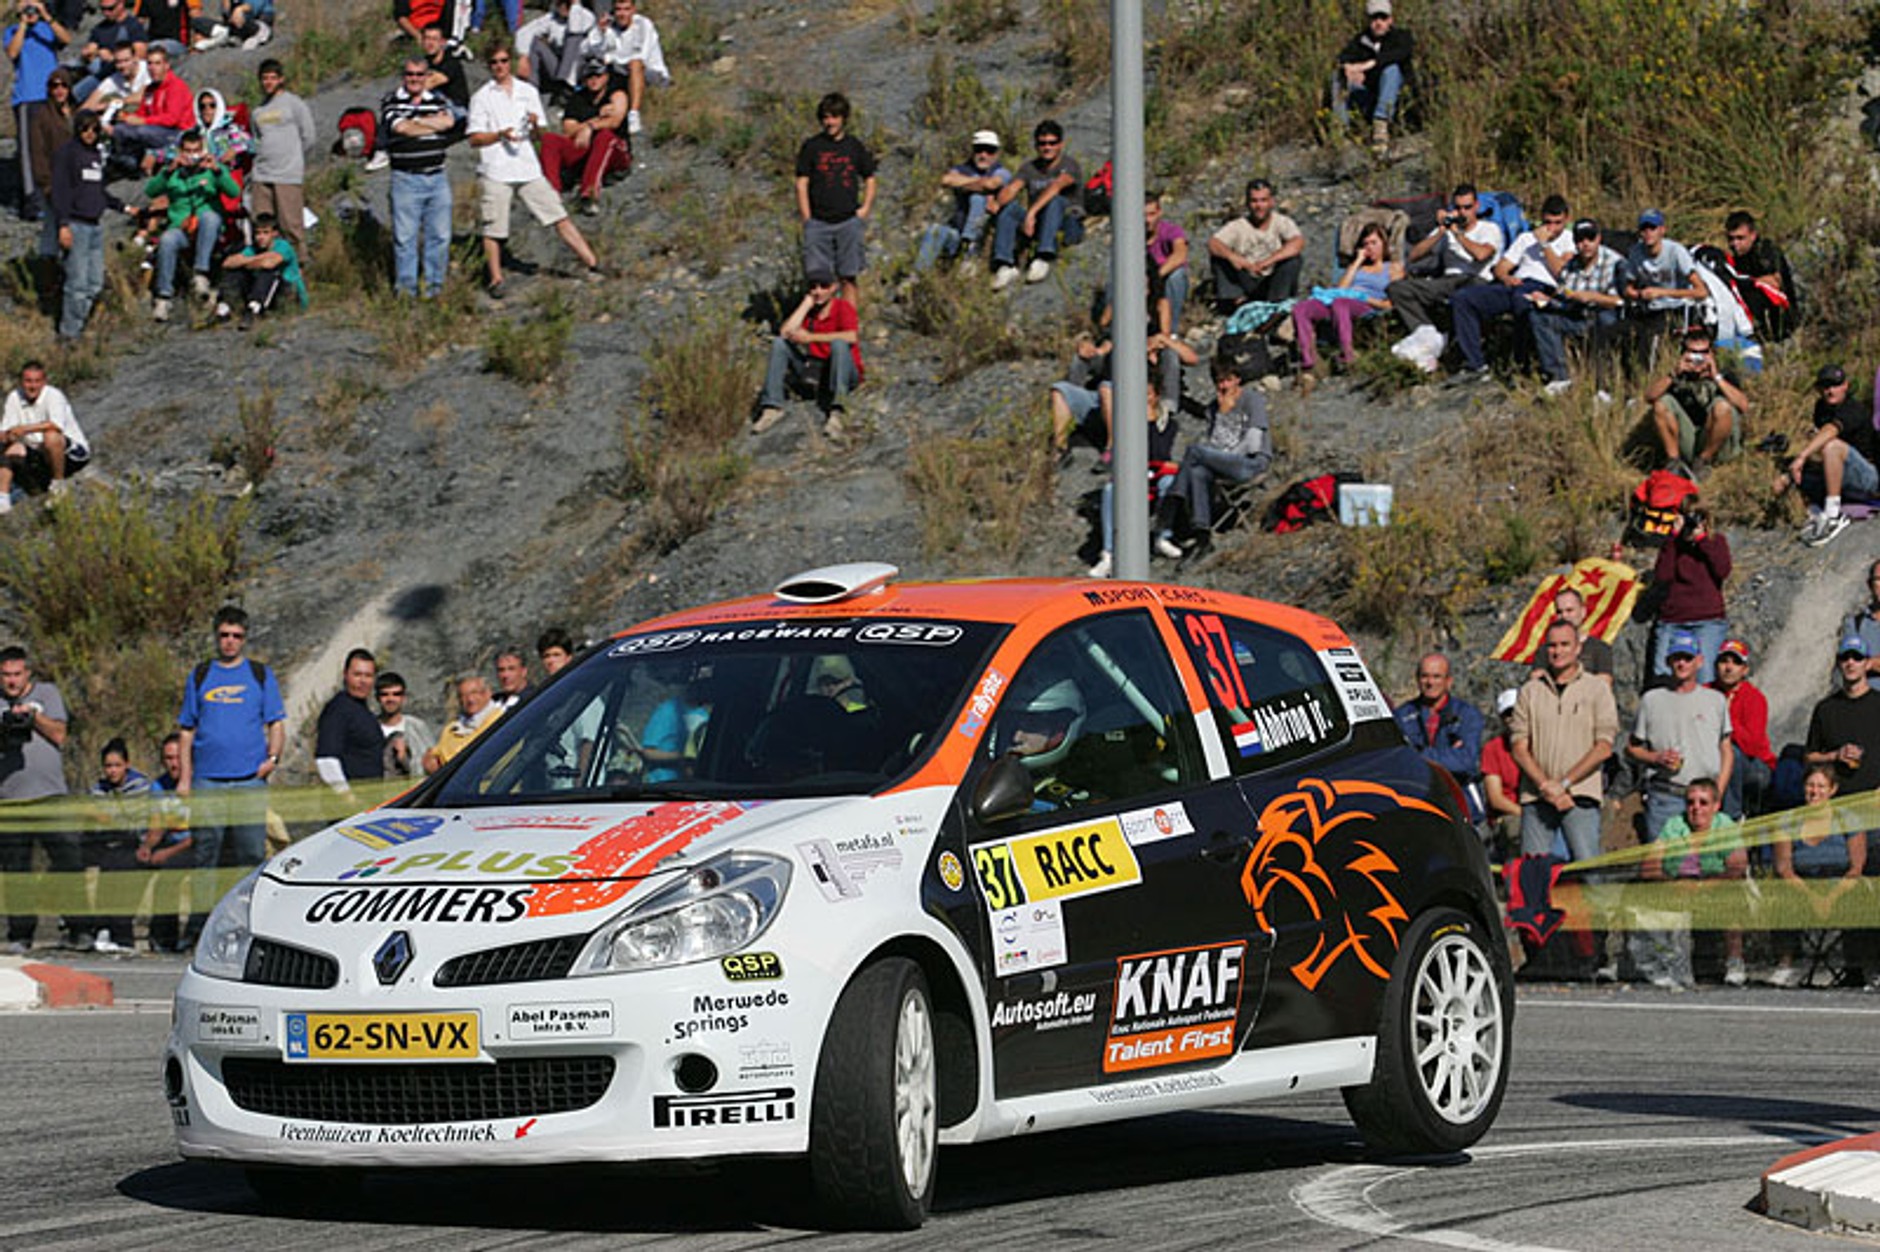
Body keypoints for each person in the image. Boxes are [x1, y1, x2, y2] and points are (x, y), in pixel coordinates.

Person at [176, 605, 285, 943]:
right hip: (208, 781)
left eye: (236, 636)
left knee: (251, 855)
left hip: (249, 782)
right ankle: (199, 930)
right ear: (216, 636)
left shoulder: (259, 674)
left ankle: (251, 928)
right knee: (206, 856)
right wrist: (184, 778)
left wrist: (273, 758)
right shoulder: (200, 675)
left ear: (244, 639)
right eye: (224, 635)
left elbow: (276, 722)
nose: (229, 641)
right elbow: (186, 730)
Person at [467, 42, 603, 298]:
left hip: (527, 166)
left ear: (511, 62)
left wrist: (533, 125)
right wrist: (498, 135)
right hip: (496, 167)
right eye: (495, 62)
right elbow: (474, 138)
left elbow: (542, 133)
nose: (500, 66)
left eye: (504, 61)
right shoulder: (481, 97)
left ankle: (593, 262)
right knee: (493, 226)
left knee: (557, 214)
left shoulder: (528, 91)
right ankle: (496, 278)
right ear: (488, 66)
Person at [1509, 620, 1619, 863]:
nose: (1557, 651)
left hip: (1580, 795)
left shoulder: (1597, 690)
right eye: (1552, 645)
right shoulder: (1529, 691)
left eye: (1564, 644)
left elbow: (1603, 747)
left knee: (1588, 870)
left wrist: (1565, 783)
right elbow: (1519, 746)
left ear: (1578, 648)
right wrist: (1546, 785)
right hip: (1537, 796)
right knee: (1532, 875)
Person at [1632, 778, 1748, 990]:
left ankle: (1735, 962)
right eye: (1691, 802)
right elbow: (1650, 865)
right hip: (1678, 886)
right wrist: (1673, 884)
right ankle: (1660, 965)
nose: (1696, 808)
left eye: (1703, 803)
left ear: (1716, 806)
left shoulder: (1726, 826)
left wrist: (1703, 887)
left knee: (1734, 895)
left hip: (1716, 888)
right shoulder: (1674, 825)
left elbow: (1736, 868)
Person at [1153, 360, 1272, 561]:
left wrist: (1225, 452)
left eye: (1228, 380)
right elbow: (1215, 447)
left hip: (1252, 463)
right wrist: (1222, 415)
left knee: (1194, 451)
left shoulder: (1252, 400)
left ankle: (1174, 500)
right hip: (1226, 465)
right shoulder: (1213, 408)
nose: (1223, 386)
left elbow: (1252, 443)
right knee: (1197, 471)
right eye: (1219, 381)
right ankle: (1202, 535)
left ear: (1237, 380)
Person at [0, 644, 76, 952]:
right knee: (16, 870)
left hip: (49, 795)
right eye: (6, 675)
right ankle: (20, 933)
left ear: (27, 673)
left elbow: (60, 734)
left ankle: (77, 928)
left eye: (17, 674)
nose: (12, 681)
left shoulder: (46, 694)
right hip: (10, 799)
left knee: (68, 861)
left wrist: (33, 717)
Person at [1449, 195, 1573, 382]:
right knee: (1463, 298)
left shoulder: (1569, 240)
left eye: (1558, 223)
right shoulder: (1526, 239)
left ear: (1566, 220)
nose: (1552, 228)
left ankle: (1522, 364)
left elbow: (1561, 273)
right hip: (1517, 284)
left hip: (1545, 288)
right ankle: (1476, 363)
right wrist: (1506, 277)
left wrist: (1545, 245)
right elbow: (1501, 267)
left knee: (1522, 303)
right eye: (1547, 222)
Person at [1626, 628, 1732, 842]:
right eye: (1676, 658)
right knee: (1662, 867)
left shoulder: (1715, 700)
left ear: (1699, 661)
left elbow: (1726, 750)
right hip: (1666, 796)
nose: (1682, 664)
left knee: (1706, 866)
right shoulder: (1652, 700)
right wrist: (1655, 758)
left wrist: (1717, 792)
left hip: (1703, 798)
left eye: (1687, 658)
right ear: (1668, 661)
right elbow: (1631, 748)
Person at [1766, 764, 1866, 988]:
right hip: (1801, 885)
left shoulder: (1847, 819)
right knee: (1782, 896)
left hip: (1840, 885)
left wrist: (1830, 897)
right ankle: (1785, 964)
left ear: (1833, 790)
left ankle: (1858, 966)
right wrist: (1812, 896)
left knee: (1863, 898)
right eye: (1810, 785)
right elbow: (1784, 869)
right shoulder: (1788, 821)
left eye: (1821, 786)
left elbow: (1856, 868)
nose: (1814, 791)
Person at [382, 52, 464, 300]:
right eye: (410, 74)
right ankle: (406, 292)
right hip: (406, 179)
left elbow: (449, 122)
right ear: (403, 76)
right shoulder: (391, 101)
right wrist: (430, 123)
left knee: (439, 236)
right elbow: (401, 128)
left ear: (427, 76)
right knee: (405, 239)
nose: (414, 79)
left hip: (437, 178)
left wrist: (416, 123)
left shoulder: (438, 99)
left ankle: (434, 290)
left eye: (419, 74)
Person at [751, 268, 863, 439]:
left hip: (843, 370)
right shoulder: (809, 312)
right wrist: (805, 305)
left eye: (823, 286)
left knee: (839, 345)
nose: (818, 291)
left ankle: (839, 410)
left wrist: (811, 337)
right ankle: (771, 407)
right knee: (780, 344)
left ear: (833, 288)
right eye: (813, 287)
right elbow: (784, 332)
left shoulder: (842, 308)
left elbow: (851, 336)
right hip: (816, 371)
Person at [1087, 373, 1180, 578]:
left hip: (1156, 472)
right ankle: (1108, 554)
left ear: (1155, 396)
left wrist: (1148, 423)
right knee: (1110, 490)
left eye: (1147, 394)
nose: (1143, 399)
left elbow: (1159, 452)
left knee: (1170, 482)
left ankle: (1163, 535)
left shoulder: (1168, 423)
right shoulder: (1126, 423)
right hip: (1132, 474)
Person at [1775, 363, 1877, 549]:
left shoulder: (1853, 409)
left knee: (1831, 446)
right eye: (1825, 386)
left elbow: (1831, 430)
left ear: (1845, 385)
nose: (1830, 391)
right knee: (1787, 478)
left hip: (1867, 478)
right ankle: (1813, 509)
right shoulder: (1821, 408)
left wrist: (1803, 456)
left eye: (1835, 385)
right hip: (1840, 475)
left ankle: (1833, 514)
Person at [142, 128, 238, 323]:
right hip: (182, 227)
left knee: (210, 217)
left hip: (206, 229)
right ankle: (164, 297)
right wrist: (168, 172)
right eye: (188, 151)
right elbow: (150, 191)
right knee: (168, 239)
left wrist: (218, 170)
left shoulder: (212, 170)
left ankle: (201, 274)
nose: (192, 156)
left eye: (196, 150)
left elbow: (234, 192)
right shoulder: (172, 172)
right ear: (180, 151)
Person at [48, 110, 127, 342]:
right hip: (75, 225)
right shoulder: (67, 154)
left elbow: (98, 191)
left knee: (94, 283)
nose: (90, 133)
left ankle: (79, 326)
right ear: (77, 129)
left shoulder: (95, 155)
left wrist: (122, 207)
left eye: (94, 129)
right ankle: (69, 334)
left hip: (95, 226)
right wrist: (63, 225)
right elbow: (60, 191)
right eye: (85, 128)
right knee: (77, 284)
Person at [794, 91, 876, 308]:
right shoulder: (811, 147)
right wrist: (807, 219)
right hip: (818, 222)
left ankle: (849, 328)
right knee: (818, 281)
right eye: (825, 117)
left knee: (848, 277)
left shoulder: (854, 146)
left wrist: (865, 209)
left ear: (843, 118)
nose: (828, 122)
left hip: (848, 221)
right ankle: (821, 329)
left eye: (833, 116)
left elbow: (869, 177)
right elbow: (801, 182)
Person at [1387, 183, 1503, 332]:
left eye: (1467, 207)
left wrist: (1457, 234)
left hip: (1475, 280)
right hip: (1448, 280)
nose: (1462, 212)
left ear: (1476, 206)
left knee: (1463, 294)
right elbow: (1414, 255)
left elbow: (1481, 255)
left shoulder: (1489, 229)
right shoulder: (1447, 230)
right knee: (1398, 289)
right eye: (1458, 207)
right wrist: (1440, 232)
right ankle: (1425, 332)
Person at [1528, 218, 1623, 396]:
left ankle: (1603, 384)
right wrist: (1547, 300)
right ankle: (1560, 377)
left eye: (1590, 238)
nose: (1585, 244)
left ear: (1599, 239)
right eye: (1580, 240)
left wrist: (1594, 297)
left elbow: (1622, 301)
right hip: (1578, 314)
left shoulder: (1615, 262)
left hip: (1605, 316)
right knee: (1540, 316)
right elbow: (1565, 295)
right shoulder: (1571, 266)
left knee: (1604, 319)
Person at [1292, 220, 1400, 373]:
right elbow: (1341, 289)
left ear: (1384, 244)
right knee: (1301, 308)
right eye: (1366, 244)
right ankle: (1308, 359)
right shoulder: (1357, 267)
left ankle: (1347, 355)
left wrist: (1363, 297)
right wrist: (1357, 261)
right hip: (1340, 299)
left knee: (1340, 304)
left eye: (1374, 243)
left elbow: (1393, 301)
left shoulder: (1392, 268)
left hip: (1367, 303)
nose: (1370, 248)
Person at [989, 118, 1081, 290]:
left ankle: (1043, 256)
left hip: (1066, 223)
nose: (1047, 147)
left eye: (1052, 143)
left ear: (1060, 144)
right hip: (1040, 223)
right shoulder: (1029, 168)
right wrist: (997, 201)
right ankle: (1005, 264)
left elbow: (1056, 187)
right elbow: (1013, 188)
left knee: (1055, 200)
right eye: (1042, 143)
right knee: (1010, 209)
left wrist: (1031, 213)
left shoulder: (1069, 165)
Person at [1393, 653, 1487, 822]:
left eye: (1437, 676)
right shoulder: (1402, 715)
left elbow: (1466, 761)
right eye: (1425, 676)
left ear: (1448, 681)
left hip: (1462, 804)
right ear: (1417, 679)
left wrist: (1419, 754)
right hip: (1418, 803)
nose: (1430, 683)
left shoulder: (1467, 715)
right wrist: (1447, 755)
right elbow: (1397, 760)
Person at [1647, 495, 1731, 683]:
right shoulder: (1672, 545)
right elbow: (1663, 576)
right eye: (1688, 515)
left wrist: (1702, 540)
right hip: (1672, 619)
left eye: (1698, 516)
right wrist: (1673, 539)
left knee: (1705, 677)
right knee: (1663, 677)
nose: (1692, 520)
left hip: (1707, 620)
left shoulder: (1715, 541)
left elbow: (1722, 570)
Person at [1644, 327, 1748, 475]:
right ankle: (1673, 462)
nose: (1698, 358)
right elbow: (1649, 397)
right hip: (1690, 440)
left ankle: (1704, 460)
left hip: (1718, 444)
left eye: (1703, 353)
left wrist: (1716, 377)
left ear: (1711, 353)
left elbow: (1743, 406)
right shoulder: (1677, 377)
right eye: (1693, 353)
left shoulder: (1724, 375)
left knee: (1723, 407)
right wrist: (1674, 374)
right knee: (1661, 404)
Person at [84, 737, 152, 954]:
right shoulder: (98, 789)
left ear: (127, 765)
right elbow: (95, 818)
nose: (112, 771)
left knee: (120, 864)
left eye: (117, 765)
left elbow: (131, 823)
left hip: (133, 844)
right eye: (108, 766)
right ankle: (97, 926)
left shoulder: (140, 786)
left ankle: (121, 934)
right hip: (105, 843)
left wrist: (109, 818)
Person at [5, 0, 71, 220]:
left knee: (57, 146)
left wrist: (46, 15)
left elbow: (66, 39)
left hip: (51, 96)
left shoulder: (47, 28)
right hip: (27, 97)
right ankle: (32, 202)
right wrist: (23, 24)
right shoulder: (12, 31)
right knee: (29, 151)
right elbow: (12, 53)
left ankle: (60, 195)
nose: (30, 10)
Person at [539, 57, 630, 215]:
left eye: (598, 75)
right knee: (550, 140)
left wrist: (589, 127)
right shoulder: (577, 99)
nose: (594, 80)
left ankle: (589, 194)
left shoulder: (616, 94)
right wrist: (595, 119)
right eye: (590, 76)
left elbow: (615, 121)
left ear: (606, 76)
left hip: (616, 152)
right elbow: (568, 130)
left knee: (605, 136)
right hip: (586, 150)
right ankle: (551, 194)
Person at [915, 129, 1010, 271]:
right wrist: (981, 184)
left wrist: (964, 184)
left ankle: (970, 248)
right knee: (935, 230)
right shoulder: (962, 168)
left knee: (977, 199)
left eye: (989, 150)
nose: (983, 155)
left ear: (996, 153)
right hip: (957, 232)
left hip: (984, 237)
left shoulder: (1001, 171)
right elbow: (947, 180)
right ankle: (917, 274)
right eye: (979, 150)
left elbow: (992, 184)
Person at [0, 360, 91, 510]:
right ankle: (3, 498)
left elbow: (55, 425)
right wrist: (8, 436)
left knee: (51, 436)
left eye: (37, 381)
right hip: (38, 453)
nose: (32, 386)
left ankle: (59, 485)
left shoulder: (54, 395)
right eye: (28, 381)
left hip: (70, 453)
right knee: (9, 449)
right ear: (21, 382)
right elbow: (5, 430)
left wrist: (24, 429)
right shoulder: (14, 397)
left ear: (44, 382)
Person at [246, 59, 315, 256]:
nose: (268, 82)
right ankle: (265, 270)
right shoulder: (258, 110)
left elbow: (308, 135)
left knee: (291, 225)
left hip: (287, 174)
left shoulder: (294, 104)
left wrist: (294, 160)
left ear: (281, 79)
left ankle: (296, 270)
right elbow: (257, 139)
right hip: (261, 174)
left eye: (273, 78)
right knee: (261, 225)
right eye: (265, 78)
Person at [1620, 208, 1705, 366]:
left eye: (1652, 228)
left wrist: (1662, 292)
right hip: (1647, 309)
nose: (1648, 233)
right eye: (1644, 229)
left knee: (1649, 337)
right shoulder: (1635, 252)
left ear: (1662, 230)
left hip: (1674, 308)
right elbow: (1628, 288)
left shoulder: (1676, 252)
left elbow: (1701, 291)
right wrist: (1639, 294)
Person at [1206, 177, 1303, 312]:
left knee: (1293, 260)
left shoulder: (1282, 222)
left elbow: (1297, 243)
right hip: (1246, 277)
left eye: (1263, 200)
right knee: (1219, 257)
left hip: (1271, 278)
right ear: (1248, 203)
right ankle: (1234, 300)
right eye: (1254, 201)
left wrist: (1268, 261)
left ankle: (1277, 302)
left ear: (1271, 202)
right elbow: (1213, 243)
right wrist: (1235, 258)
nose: (1259, 206)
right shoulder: (1238, 225)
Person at [135, 731, 192, 953]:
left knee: (171, 870)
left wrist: (168, 853)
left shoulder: (198, 785)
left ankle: (176, 936)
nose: (173, 764)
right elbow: (157, 825)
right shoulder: (159, 787)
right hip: (171, 841)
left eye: (178, 757)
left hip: (193, 844)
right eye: (168, 758)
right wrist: (147, 847)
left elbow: (200, 835)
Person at [1332, 0, 1412, 156]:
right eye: (1374, 18)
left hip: (1399, 100)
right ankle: (1340, 130)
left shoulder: (1401, 37)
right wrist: (1349, 69)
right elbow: (1342, 59)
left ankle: (1381, 126)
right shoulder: (1361, 41)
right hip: (1369, 96)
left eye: (1383, 18)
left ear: (1390, 19)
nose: (1378, 23)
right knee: (1338, 76)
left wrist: (1365, 66)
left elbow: (1396, 55)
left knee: (1391, 69)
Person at [583, 0, 668, 137]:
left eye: (626, 9)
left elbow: (641, 56)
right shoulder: (609, 25)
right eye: (619, 10)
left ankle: (634, 113)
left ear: (633, 10)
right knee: (595, 68)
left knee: (634, 64)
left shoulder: (643, 26)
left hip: (649, 73)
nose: (622, 14)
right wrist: (600, 32)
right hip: (620, 73)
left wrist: (610, 58)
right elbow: (586, 50)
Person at [1710, 638, 1773, 821]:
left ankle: (1732, 816)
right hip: (1712, 759)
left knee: (1732, 753)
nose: (1729, 667)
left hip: (1755, 766)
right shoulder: (1706, 691)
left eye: (1736, 662)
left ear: (1744, 670)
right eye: (1724, 661)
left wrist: (1726, 718)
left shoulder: (1754, 698)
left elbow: (1752, 746)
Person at [26, 68, 76, 301]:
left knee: (72, 232)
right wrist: (45, 184)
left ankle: (67, 282)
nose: (59, 90)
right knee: (52, 232)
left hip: (77, 182)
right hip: (53, 182)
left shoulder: (75, 112)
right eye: (54, 86)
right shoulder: (41, 116)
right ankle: (48, 286)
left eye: (63, 85)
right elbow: (37, 153)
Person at [108, 45, 192, 174]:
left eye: (157, 63)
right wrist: (125, 117)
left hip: (177, 134)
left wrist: (142, 121)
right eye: (150, 63)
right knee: (120, 129)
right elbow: (141, 112)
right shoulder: (150, 88)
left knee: (143, 131)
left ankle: (140, 161)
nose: (153, 68)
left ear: (166, 65)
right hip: (155, 129)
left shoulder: (176, 86)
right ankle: (126, 161)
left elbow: (172, 119)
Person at [213, 211, 304, 329]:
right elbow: (227, 263)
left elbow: (269, 264)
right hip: (265, 294)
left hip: (287, 294)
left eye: (265, 233)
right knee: (236, 272)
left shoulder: (283, 246)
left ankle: (254, 309)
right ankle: (224, 308)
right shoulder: (253, 249)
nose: (260, 237)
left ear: (274, 233)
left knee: (269, 272)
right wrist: (256, 259)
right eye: (257, 233)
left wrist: (247, 260)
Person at [315, 648, 384, 800]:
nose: (363, 681)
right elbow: (326, 759)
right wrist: (347, 795)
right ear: (345, 675)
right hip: (349, 808)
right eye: (357, 674)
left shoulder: (363, 710)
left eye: (368, 675)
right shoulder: (338, 709)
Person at [1718, 211, 1795, 343]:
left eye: (1740, 238)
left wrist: (1744, 281)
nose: (1735, 244)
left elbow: (1775, 282)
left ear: (1753, 235)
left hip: (1780, 317)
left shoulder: (1765, 250)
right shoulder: (1738, 257)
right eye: (1731, 239)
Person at [514, 0, 596, 101]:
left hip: (580, 70)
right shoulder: (552, 18)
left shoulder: (587, 16)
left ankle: (565, 84)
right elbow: (523, 33)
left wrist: (575, 5)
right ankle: (531, 89)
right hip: (558, 68)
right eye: (560, 3)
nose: (563, 7)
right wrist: (523, 56)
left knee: (574, 37)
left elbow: (575, 28)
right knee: (534, 42)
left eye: (567, 4)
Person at [640, 668, 710, 783]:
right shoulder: (669, 710)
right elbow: (648, 753)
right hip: (663, 785)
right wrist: (682, 757)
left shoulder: (704, 715)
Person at [423, 674, 501, 773]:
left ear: (487, 693)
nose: (470, 699)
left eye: (474, 693)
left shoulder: (499, 721)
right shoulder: (452, 728)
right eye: (463, 695)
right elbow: (432, 758)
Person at [72, 0, 146, 103]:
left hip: (122, 74)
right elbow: (90, 49)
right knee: (75, 92)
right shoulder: (100, 28)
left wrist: (112, 58)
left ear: (121, 4)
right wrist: (90, 53)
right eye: (103, 9)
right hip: (102, 72)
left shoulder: (133, 26)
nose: (106, 13)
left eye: (110, 8)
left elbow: (140, 55)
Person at [1479, 688, 1523, 857]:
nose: (1514, 719)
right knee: (1517, 830)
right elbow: (1496, 799)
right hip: (1509, 815)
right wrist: (1526, 814)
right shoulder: (1493, 749)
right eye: (1508, 714)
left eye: (1519, 712)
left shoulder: (1540, 744)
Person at [375, 670, 436, 778]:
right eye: (385, 694)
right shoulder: (369, 727)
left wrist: (404, 758)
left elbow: (433, 767)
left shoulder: (418, 727)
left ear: (403, 697)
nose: (390, 699)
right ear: (377, 698)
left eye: (396, 694)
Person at [1145, 190, 1191, 330]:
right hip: (1141, 287)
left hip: (1162, 283)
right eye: (1143, 215)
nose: (1147, 220)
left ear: (1159, 213)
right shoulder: (1131, 236)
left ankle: (1171, 332)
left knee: (1176, 275)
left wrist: (1154, 277)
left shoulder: (1172, 231)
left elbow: (1180, 254)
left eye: (1151, 214)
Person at [1549, 586, 1613, 681]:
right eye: (1559, 612)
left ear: (1583, 612)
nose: (1564, 616)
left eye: (1569, 610)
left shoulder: (1600, 649)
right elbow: (1537, 686)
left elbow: (1604, 685)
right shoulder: (1546, 650)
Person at [1841, 560, 1880, 679]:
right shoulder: (1855, 622)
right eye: (1878, 579)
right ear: (1870, 585)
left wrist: (1870, 663)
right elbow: (1850, 664)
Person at [416, 22, 468, 109]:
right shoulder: (424, 62)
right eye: (427, 39)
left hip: (457, 109)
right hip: (437, 106)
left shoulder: (451, 62)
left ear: (442, 42)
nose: (430, 43)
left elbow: (428, 84)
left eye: (434, 39)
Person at [190, 0, 271, 50]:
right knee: (197, 22)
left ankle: (225, 37)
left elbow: (253, 6)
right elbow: (227, 16)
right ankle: (225, 35)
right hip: (232, 26)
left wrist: (239, 9)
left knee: (243, 22)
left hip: (256, 23)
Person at [493, 646, 533, 710]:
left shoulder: (534, 699)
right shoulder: (493, 701)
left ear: (524, 671)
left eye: (511, 669)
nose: (505, 675)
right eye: (501, 670)